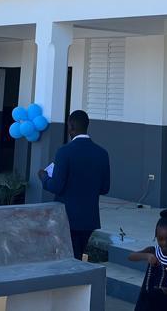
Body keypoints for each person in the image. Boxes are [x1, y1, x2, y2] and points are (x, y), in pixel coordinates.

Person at [38, 109, 110, 260]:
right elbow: (105, 188)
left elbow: (56, 186)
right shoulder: (102, 153)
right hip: (89, 219)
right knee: (77, 256)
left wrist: (44, 178)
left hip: (67, 217)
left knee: (66, 258)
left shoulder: (64, 152)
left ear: (71, 126)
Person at [129, 209, 167, 310]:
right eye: (161, 239)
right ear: (156, 237)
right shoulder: (152, 251)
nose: (165, 243)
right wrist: (146, 256)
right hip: (149, 302)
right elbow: (131, 256)